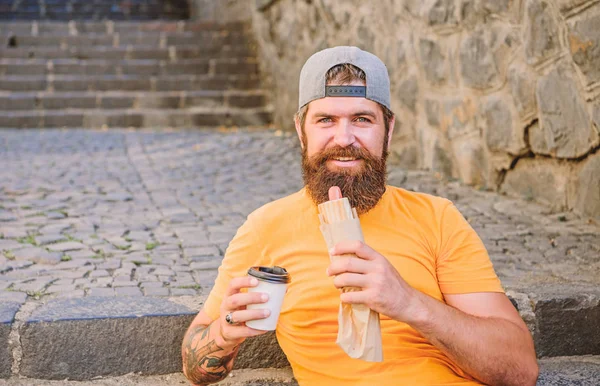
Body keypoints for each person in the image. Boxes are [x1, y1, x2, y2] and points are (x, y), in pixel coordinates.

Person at [181, 46, 539, 386]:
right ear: (300, 131)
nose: (344, 137)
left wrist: (407, 302)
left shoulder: (437, 218)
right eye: (325, 120)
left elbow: (520, 370)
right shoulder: (266, 227)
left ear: (389, 129)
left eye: (362, 119)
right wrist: (224, 333)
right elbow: (195, 367)